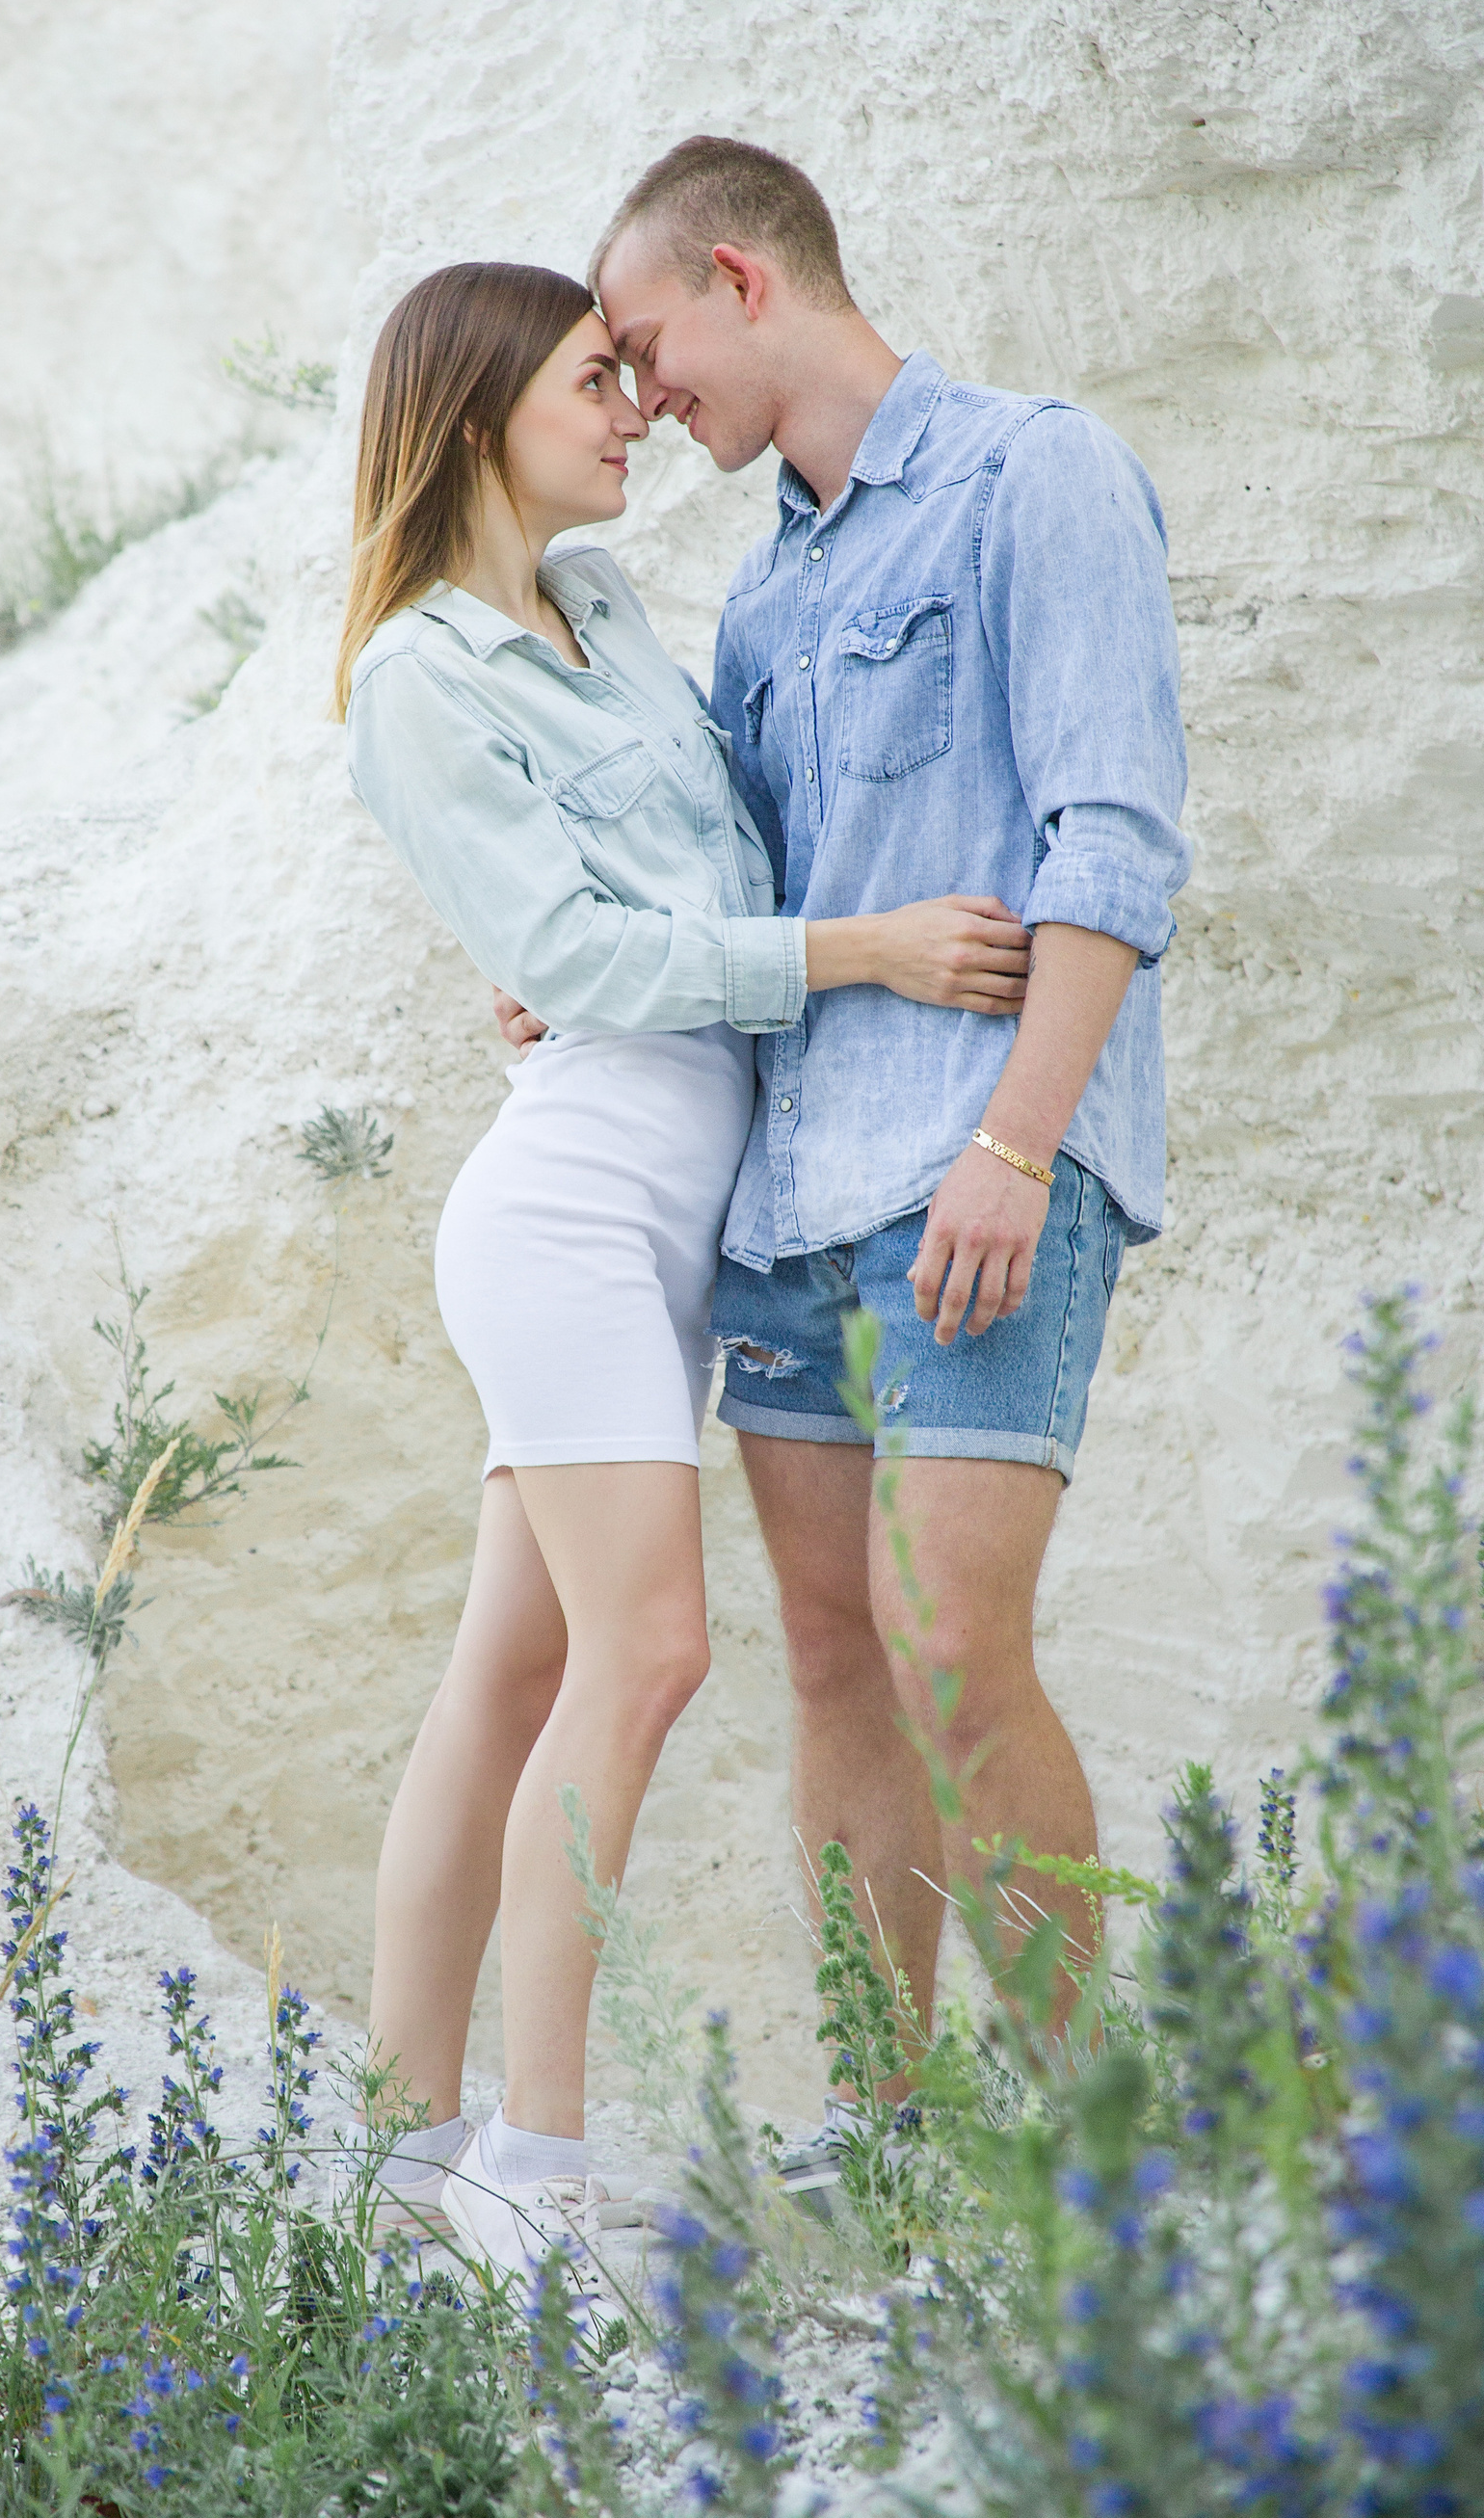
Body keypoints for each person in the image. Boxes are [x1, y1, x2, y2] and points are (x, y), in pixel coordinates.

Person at [334, 260, 1034, 2280]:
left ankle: (402, 2156)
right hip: (571, 1209)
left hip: (664, 1220)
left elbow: (680, 883)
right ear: (479, 412)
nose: (634, 410)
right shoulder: (416, 678)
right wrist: (863, 950)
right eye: (594, 380)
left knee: (513, 1669)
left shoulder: (611, 610)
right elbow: (579, 952)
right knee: (645, 1656)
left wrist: (615, 956)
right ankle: (536, 2168)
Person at [503, 137, 1190, 2186]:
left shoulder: (1032, 476)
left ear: (741, 277)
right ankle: (884, 2131)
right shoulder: (767, 595)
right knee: (834, 1664)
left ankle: (1103, 2161)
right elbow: (742, 895)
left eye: (644, 346)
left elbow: (1112, 841)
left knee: (955, 1652)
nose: (641, 400)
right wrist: (581, 973)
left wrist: (1016, 1145)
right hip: (789, 1204)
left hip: (976, 1175)